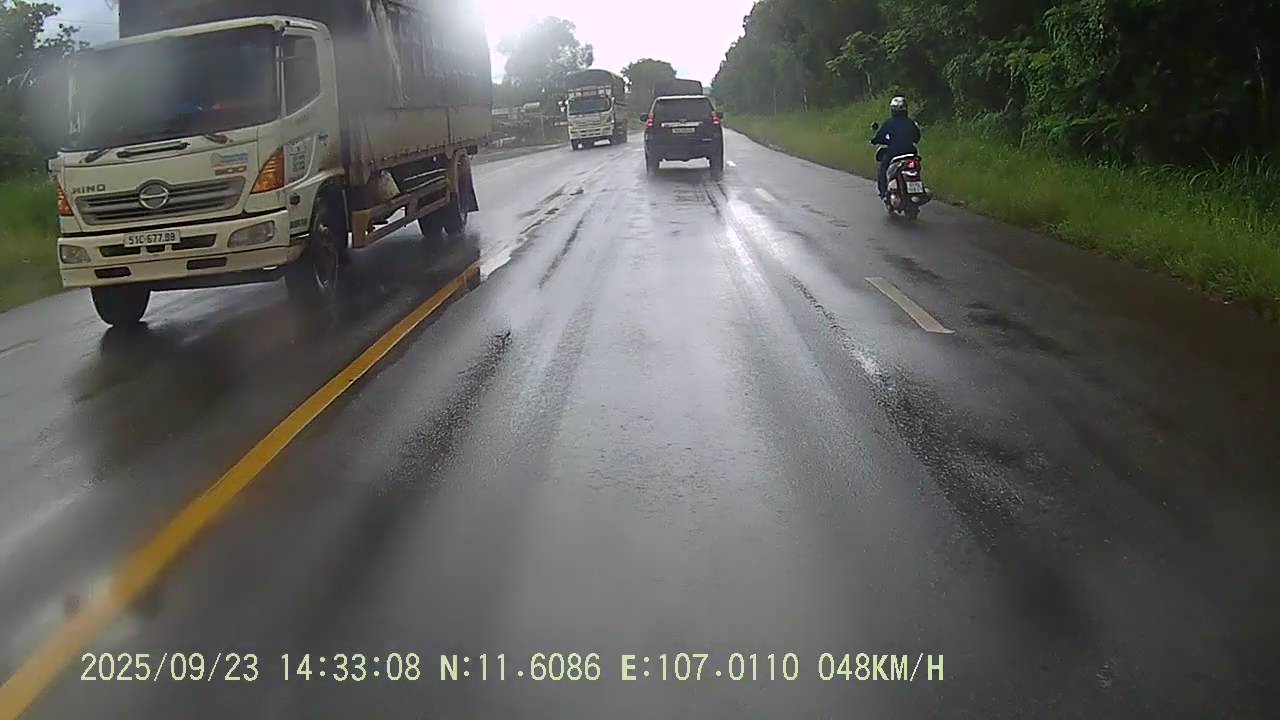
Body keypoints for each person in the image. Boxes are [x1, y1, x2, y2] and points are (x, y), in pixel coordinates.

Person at [871, 96, 922, 200]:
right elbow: (917, 138)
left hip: (894, 153)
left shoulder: (889, 123)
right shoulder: (910, 122)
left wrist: (875, 140)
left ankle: (884, 192)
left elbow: (879, 137)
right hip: (911, 153)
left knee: (883, 168)